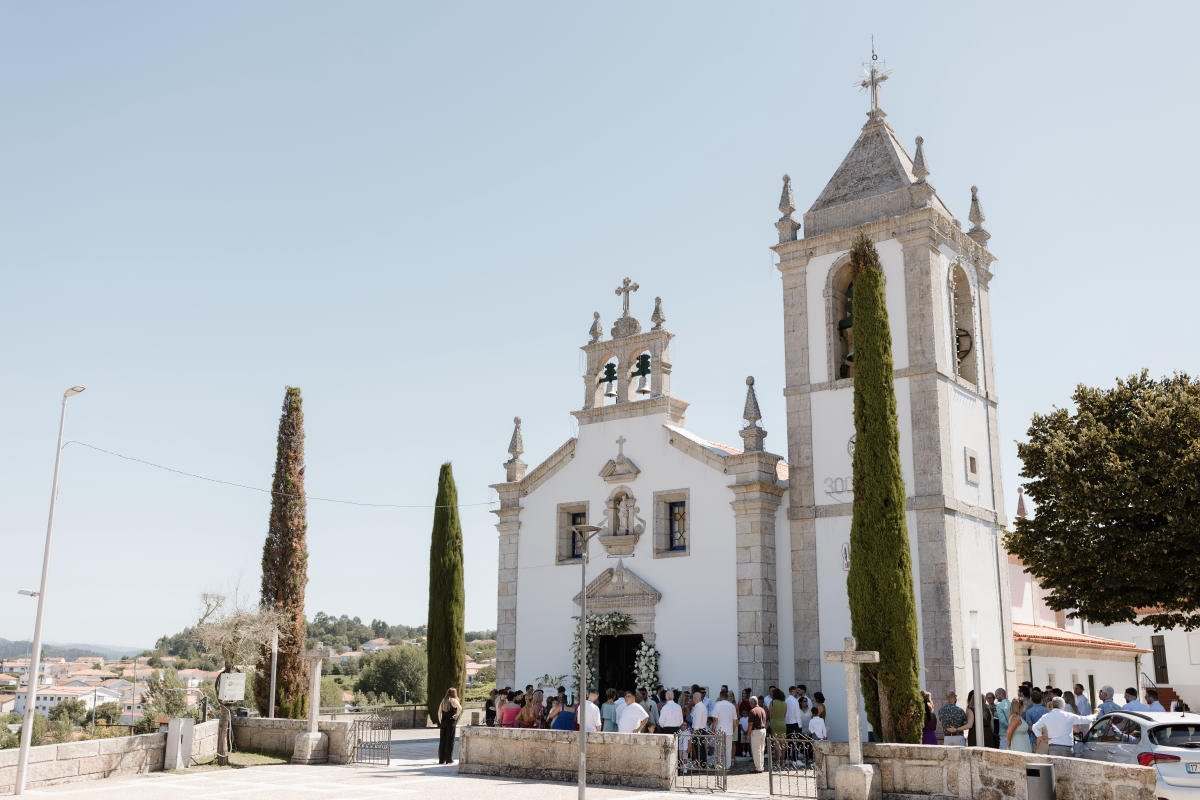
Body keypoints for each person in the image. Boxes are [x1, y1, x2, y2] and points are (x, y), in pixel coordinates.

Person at [1031, 697, 1097, 756]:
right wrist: (1095, 714)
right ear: (1063, 705)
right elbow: (1086, 720)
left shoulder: (1046, 716)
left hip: (1053, 748)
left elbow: (1034, 727)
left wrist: (1042, 739)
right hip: (1067, 748)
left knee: (1055, 766)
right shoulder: (1069, 715)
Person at [712, 690, 738, 767]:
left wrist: (712, 729)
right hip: (729, 731)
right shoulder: (732, 706)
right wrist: (733, 730)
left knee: (718, 749)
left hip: (719, 731)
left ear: (720, 696)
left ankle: (718, 765)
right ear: (727, 697)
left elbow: (715, 719)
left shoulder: (717, 705)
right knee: (728, 749)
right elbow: (735, 721)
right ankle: (727, 766)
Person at [436, 687, 461, 764]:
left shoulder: (443, 700)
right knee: (450, 740)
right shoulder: (454, 700)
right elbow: (460, 708)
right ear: (454, 693)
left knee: (442, 741)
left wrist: (440, 721)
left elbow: (439, 712)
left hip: (443, 722)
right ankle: (448, 759)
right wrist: (457, 715)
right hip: (451, 722)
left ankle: (441, 760)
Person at [747, 696, 768, 772]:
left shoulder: (752, 711)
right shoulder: (762, 709)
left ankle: (758, 768)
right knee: (762, 749)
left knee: (756, 750)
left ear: (751, 703)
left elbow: (750, 724)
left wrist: (747, 734)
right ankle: (761, 766)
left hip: (756, 731)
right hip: (763, 730)